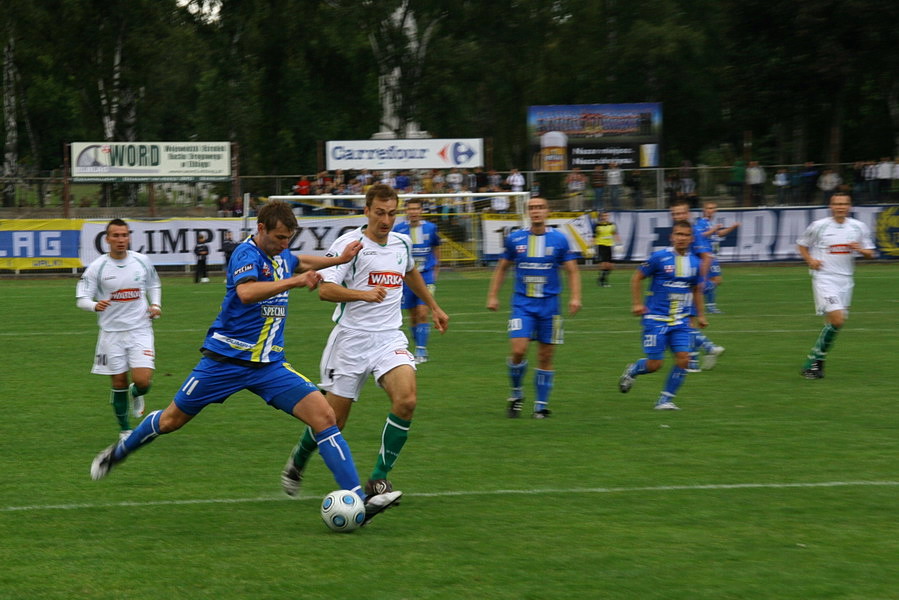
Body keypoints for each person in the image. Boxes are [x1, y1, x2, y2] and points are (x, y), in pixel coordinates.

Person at [89, 201, 402, 525]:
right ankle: (117, 453)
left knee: (325, 417)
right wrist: (295, 282)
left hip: (268, 366)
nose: (284, 245)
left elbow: (301, 259)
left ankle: (358, 502)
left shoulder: (282, 253)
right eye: (279, 237)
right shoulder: (246, 254)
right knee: (170, 421)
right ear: (261, 229)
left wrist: (339, 259)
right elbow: (247, 293)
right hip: (225, 361)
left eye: (288, 238)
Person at [281, 184, 449, 499]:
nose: (386, 220)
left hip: (389, 338)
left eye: (391, 213)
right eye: (380, 213)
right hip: (351, 341)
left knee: (407, 400)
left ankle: (378, 479)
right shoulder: (349, 244)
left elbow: (411, 272)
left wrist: (434, 307)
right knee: (332, 421)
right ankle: (299, 459)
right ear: (367, 210)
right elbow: (325, 291)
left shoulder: (402, 243)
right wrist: (363, 294)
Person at [486, 196, 582, 418]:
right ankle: (517, 392)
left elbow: (573, 270)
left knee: (546, 356)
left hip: (551, 307)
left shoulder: (560, 239)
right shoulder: (515, 239)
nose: (536, 211)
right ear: (528, 212)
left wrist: (575, 297)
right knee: (518, 350)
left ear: (548, 211)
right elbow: (501, 268)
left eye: (540, 207)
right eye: (532, 208)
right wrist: (493, 295)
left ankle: (541, 405)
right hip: (522, 305)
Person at [76, 219, 162, 439]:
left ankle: (137, 393)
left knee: (143, 381)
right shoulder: (98, 267)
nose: (121, 240)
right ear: (107, 239)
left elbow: (154, 284)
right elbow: (81, 298)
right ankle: (125, 429)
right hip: (111, 333)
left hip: (140, 329)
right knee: (118, 382)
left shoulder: (141, 261)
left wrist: (155, 304)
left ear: (129, 237)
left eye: (124, 235)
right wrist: (94, 305)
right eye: (116, 236)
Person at [618, 220, 708, 410]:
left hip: (680, 321)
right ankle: (633, 370)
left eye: (685, 235)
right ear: (671, 237)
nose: (681, 238)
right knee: (655, 364)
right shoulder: (659, 257)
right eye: (678, 234)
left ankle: (665, 400)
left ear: (691, 238)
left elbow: (696, 290)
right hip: (655, 319)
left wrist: (700, 315)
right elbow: (637, 277)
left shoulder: (695, 263)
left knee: (684, 359)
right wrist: (637, 303)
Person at [796, 192, 875, 379]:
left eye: (844, 204)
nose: (840, 207)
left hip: (846, 280)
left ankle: (816, 364)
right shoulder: (819, 226)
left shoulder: (858, 227)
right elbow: (802, 245)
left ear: (850, 206)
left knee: (834, 324)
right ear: (831, 206)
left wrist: (860, 249)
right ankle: (812, 361)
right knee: (838, 319)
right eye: (837, 203)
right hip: (824, 278)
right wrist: (810, 260)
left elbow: (870, 253)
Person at [670, 201, 725, 371]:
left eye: (681, 213)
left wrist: (699, 281)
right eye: (675, 214)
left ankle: (708, 348)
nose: (678, 216)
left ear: (688, 214)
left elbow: (706, 257)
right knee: (686, 322)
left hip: (689, 285)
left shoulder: (693, 233)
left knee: (681, 323)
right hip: (679, 283)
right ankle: (693, 362)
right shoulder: (678, 232)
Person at [393, 197, 441, 363]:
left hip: (426, 276)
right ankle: (418, 344)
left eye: (416, 209)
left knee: (422, 313)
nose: (413, 212)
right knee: (413, 316)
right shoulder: (398, 230)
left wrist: (436, 269)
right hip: (406, 279)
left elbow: (436, 247)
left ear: (421, 211)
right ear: (406, 211)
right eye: (410, 209)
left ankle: (421, 350)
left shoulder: (431, 228)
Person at [694, 200, 740, 313]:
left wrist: (732, 228)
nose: (711, 210)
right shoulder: (701, 222)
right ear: (704, 210)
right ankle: (694, 293)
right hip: (706, 255)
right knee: (717, 280)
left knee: (713, 280)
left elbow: (718, 234)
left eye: (713, 208)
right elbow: (701, 235)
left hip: (712, 255)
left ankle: (710, 306)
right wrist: (713, 230)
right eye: (709, 208)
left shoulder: (709, 223)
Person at [594, 211, 621, 287]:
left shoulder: (612, 224)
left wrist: (619, 244)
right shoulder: (597, 225)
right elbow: (594, 236)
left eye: (606, 216)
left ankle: (601, 278)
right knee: (603, 264)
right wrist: (591, 247)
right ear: (600, 217)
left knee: (610, 266)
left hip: (609, 246)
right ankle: (602, 281)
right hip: (601, 245)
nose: (605, 217)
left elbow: (615, 234)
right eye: (603, 216)